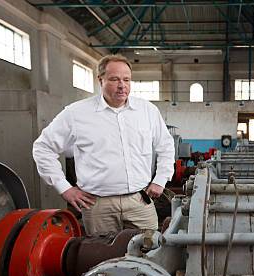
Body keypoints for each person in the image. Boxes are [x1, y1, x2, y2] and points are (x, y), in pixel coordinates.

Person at [32, 54, 174, 235]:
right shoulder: (77, 113)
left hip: (139, 202)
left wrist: (161, 179)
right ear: (101, 80)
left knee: (150, 254)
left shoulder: (147, 111)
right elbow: (43, 148)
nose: (122, 85)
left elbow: (166, 144)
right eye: (114, 79)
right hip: (98, 206)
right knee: (102, 258)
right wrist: (65, 188)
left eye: (127, 79)